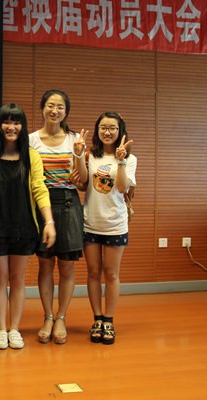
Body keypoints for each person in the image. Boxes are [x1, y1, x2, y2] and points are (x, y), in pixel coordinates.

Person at [0, 104, 56, 350]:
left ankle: (14, 329)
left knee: (17, 279)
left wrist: (49, 222)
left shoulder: (31, 155)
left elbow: (39, 189)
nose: (11, 127)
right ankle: (1, 329)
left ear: (22, 126)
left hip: (23, 226)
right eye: (6, 121)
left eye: (16, 122)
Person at [29, 89, 88, 345]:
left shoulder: (75, 139)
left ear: (66, 111)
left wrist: (79, 155)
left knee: (66, 266)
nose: (55, 111)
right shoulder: (31, 140)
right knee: (44, 264)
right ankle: (48, 317)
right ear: (42, 108)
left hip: (69, 202)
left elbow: (83, 182)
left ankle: (62, 317)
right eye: (50, 105)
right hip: (42, 204)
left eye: (60, 107)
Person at [83, 112, 136, 345]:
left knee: (112, 274)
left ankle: (109, 320)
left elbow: (123, 188)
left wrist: (121, 161)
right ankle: (97, 319)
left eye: (112, 128)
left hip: (115, 224)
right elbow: (83, 184)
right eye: (103, 127)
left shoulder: (130, 159)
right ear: (97, 130)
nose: (107, 132)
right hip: (91, 221)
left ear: (120, 130)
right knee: (93, 273)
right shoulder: (90, 156)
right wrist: (78, 157)